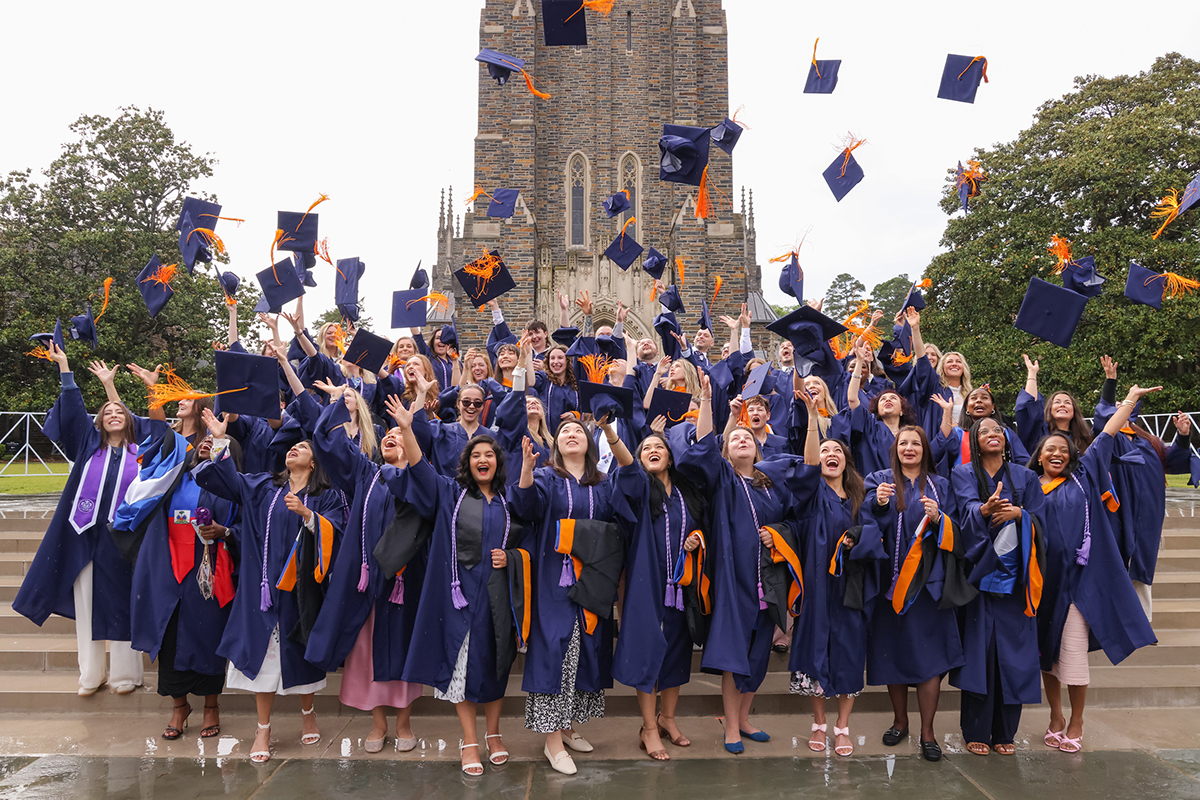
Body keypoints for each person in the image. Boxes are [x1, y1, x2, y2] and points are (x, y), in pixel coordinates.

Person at [193, 410, 347, 764]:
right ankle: (263, 728)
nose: (294, 449)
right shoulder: (264, 486)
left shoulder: (324, 496)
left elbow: (336, 532)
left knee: (299, 654)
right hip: (261, 586)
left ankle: (308, 711)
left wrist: (309, 516)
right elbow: (226, 482)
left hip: (300, 588)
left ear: (314, 462)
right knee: (264, 659)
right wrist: (219, 440)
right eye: (292, 446)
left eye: (303, 447)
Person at [676, 374, 813, 754]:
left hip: (767, 582)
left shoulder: (770, 485)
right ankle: (731, 727)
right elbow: (704, 446)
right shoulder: (722, 479)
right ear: (728, 446)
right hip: (734, 581)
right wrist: (709, 402)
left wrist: (778, 535)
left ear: (757, 450)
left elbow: (790, 520)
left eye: (747, 439)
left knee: (758, 657)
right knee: (735, 656)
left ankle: (745, 717)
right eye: (735, 438)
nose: (741, 441)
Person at [391, 398, 523, 776]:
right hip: (460, 597)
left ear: (498, 462)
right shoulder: (451, 494)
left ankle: (494, 734)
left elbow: (527, 541)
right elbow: (418, 468)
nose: (484, 459)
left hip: (497, 597)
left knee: (496, 665)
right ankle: (469, 739)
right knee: (463, 669)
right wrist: (406, 427)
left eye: (490, 454)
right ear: (467, 463)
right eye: (476, 454)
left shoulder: (510, 501)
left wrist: (511, 557)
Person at [14, 345, 154, 696]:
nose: (112, 414)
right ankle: (91, 675)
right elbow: (74, 413)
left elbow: (148, 423)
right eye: (106, 412)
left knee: (123, 601)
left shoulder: (141, 453)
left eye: (118, 412)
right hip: (85, 535)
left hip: (124, 539)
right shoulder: (89, 446)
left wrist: (112, 388)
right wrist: (65, 369)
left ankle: (126, 675)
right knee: (88, 604)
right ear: (100, 422)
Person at [1032, 384, 1160, 754]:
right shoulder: (1030, 487)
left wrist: (1130, 399)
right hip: (1044, 583)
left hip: (1078, 582)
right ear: (1039, 458)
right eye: (1048, 450)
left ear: (1072, 455)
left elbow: (1107, 433)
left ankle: (1076, 720)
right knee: (1047, 654)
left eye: (1062, 449)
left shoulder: (1084, 474)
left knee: (1071, 655)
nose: (1056, 454)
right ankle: (1055, 715)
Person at [511, 413, 635, 775]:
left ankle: (566, 727)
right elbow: (524, 508)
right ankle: (550, 739)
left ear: (590, 443)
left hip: (592, 579)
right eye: (563, 431)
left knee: (584, 651)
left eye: (578, 431)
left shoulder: (604, 483)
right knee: (554, 650)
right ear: (556, 445)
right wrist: (526, 469)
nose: (570, 435)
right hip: (554, 578)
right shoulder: (548, 478)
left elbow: (626, 509)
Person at [306, 390, 425, 755]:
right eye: (385, 435)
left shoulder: (423, 478)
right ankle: (378, 723)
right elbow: (327, 443)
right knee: (368, 653)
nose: (390, 437)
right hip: (366, 582)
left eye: (398, 435)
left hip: (406, 582)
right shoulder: (366, 474)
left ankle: (404, 724)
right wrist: (344, 406)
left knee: (404, 651)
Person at [127, 432, 241, 740]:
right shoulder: (175, 479)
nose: (207, 443)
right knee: (170, 635)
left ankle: (210, 707)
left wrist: (225, 531)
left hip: (211, 571)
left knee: (208, 636)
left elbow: (246, 526)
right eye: (204, 440)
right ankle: (179, 707)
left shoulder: (234, 486)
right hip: (171, 570)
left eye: (217, 441)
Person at [863, 426, 965, 763]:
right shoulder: (879, 480)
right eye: (903, 443)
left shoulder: (941, 485)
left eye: (916, 443)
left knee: (929, 661)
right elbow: (863, 521)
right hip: (889, 586)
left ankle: (928, 732)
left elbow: (957, 530)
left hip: (927, 587)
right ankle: (900, 721)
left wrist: (939, 519)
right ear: (895, 448)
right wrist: (877, 505)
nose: (909, 448)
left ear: (925, 450)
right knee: (894, 654)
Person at [950, 417, 1047, 757]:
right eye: (984, 431)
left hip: (1016, 581)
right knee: (981, 655)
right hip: (979, 576)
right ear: (974, 441)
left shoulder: (1026, 476)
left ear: (1006, 439)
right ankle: (975, 729)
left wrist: (1021, 514)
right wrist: (984, 509)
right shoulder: (963, 473)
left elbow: (1042, 521)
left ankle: (1005, 731)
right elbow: (962, 511)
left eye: (997, 430)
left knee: (1014, 656)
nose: (991, 434)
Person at [789, 390, 878, 757]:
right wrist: (813, 420)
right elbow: (809, 462)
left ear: (847, 462)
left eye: (837, 452)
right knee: (815, 649)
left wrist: (859, 540)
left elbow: (874, 533)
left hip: (850, 586)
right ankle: (819, 723)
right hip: (816, 585)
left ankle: (842, 726)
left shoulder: (859, 498)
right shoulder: (812, 493)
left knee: (848, 651)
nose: (830, 456)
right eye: (826, 452)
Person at [612, 432, 707, 761]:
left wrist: (696, 537)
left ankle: (668, 719)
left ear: (670, 455)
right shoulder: (640, 487)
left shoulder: (686, 493)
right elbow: (625, 463)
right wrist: (611, 432)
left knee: (678, 649)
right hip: (646, 579)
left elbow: (699, 525)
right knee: (647, 649)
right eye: (646, 448)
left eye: (659, 447)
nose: (653, 451)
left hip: (682, 584)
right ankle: (649, 728)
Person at [1092, 356, 1196, 622]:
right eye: (1118, 406)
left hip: (1148, 510)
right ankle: (1110, 620)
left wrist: (1183, 436)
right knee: (1114, 559)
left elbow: (1173, 461)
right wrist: (1110, 383)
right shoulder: (1107, 438)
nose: (1120, 409)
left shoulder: (1148, 440)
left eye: (1125, 406)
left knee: (1142, 562)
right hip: (1116, 507)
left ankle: (1140, 621)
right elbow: (1104, 416)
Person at [1014, 354, 1093, 456]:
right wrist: (1032, 374)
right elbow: (1029, 407)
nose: (1062, 405)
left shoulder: (1083, 440)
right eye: (1057, 402)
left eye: (1067, 402)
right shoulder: (1040, 434)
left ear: (1074, 411)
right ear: (1050, 409)